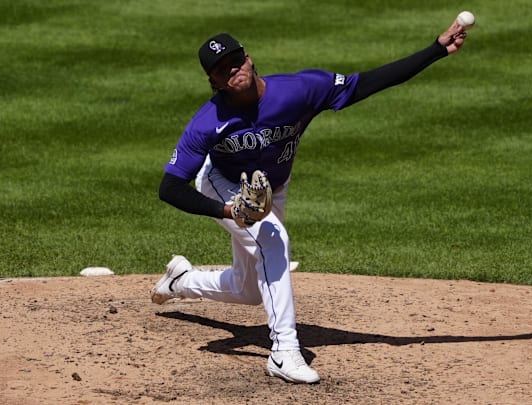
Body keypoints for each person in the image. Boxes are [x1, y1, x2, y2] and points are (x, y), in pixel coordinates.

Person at [151, 18, 469, 384]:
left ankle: (181, 281)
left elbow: (366, 83)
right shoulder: (208, 121)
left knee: (249, 289)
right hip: (222, 184)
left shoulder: (300, 90)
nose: (231, 70)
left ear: (250, 59)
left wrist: (436, 50)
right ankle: (284, 352)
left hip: (273, 188)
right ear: (214, 81)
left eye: (235, 60)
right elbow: (170, 187)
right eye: (221, 69)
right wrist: (229, 210)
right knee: (273, 241)